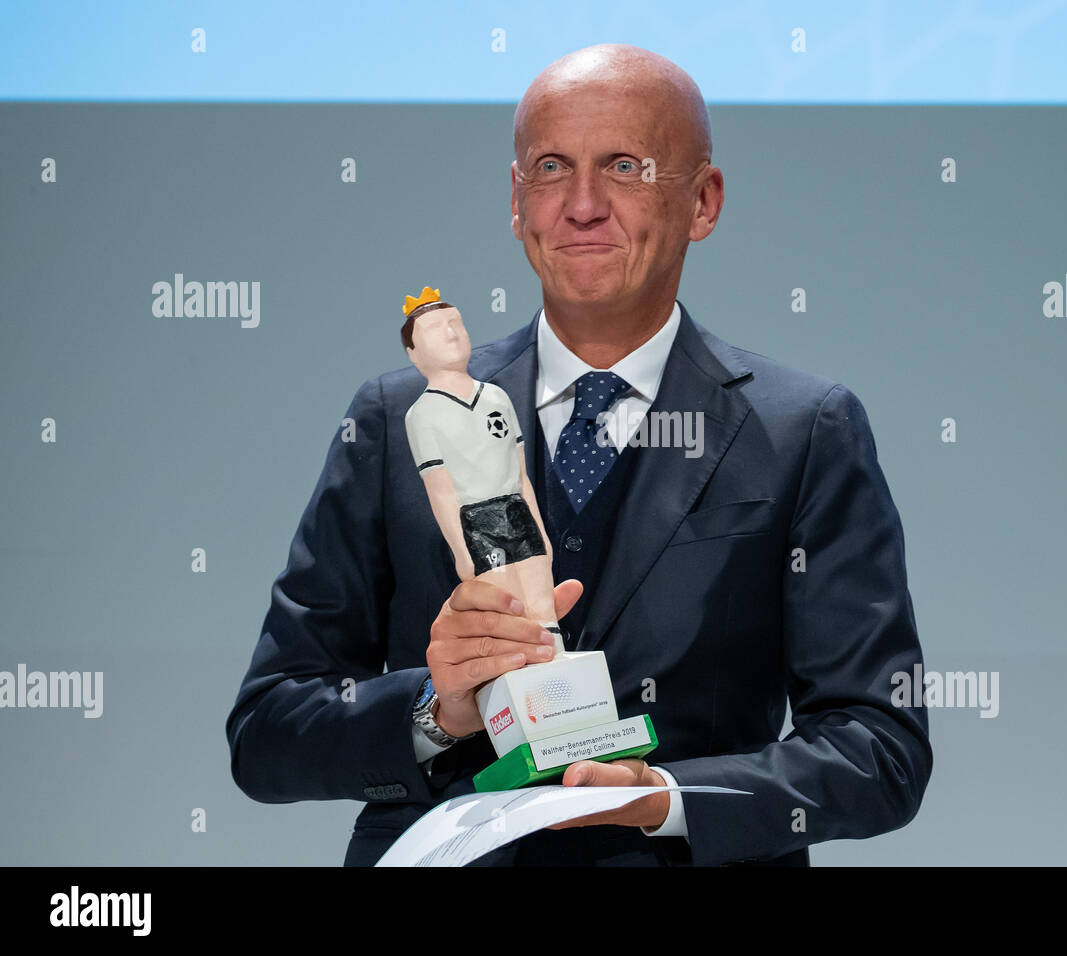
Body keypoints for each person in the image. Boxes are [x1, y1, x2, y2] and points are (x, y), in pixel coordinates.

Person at [226, 43, 933, 867]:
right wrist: (435, 709)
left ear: (702, 202)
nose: (583, 205)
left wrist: (663, 801)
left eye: (626, 167)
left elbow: (880, 748)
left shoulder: (805, 430)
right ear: (517, 201)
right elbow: (266, 735)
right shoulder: (396, 420)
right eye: (552, 168)